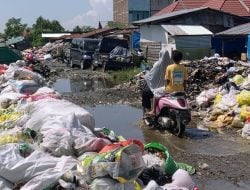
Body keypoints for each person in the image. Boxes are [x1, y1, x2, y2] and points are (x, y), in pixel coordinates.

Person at [145, 50, 188, 116]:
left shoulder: (169, 67)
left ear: (173, 58)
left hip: (170, 90)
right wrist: (184, 90)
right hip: (181, 90)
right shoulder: (184, 68)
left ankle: (153, 111)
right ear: (181, 59)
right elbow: (185, 81)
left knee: (156, 92)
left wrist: (166, 88)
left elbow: (167, 80)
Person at [141, 49, 173, 114]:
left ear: (160, 55)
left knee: (144, 93)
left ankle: (150, 111)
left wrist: (146, 76)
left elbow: (152, 75)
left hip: (160, 88)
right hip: (170, 88)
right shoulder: (171, 63)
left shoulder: (157, 64)